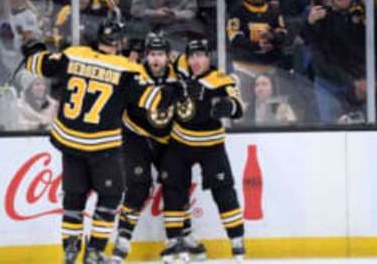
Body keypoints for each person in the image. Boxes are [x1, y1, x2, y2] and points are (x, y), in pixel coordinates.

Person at [20, 20, 175, 264]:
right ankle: (94, 251)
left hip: (69, 142)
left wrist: (33, 48)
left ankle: (70, 249)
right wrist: (175, 92)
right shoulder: (125, 68)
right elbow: (152, 99)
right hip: (102, 147)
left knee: (74, 198)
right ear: (120, 42)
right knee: (110, 197)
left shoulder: (74, 55)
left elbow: (38, 63)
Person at [110, 33, 207, 263]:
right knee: (138, 185)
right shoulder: (134, 75)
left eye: (160, 54)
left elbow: (194, 86)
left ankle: (180, 237)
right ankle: (122, 240)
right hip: (137, 136)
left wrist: (192, 92)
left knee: (177, 181)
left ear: (168, 56)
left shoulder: (178, 74)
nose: (156, 60)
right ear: (146, 56)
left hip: (167, 138)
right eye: (152, 54)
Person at [159, 39, 246, 263]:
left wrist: (228, 106)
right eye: (193, 56)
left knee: (224, 191)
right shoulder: (180, 66)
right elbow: (161, 59)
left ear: (209, 57)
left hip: (211, 146)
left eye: (201, 56)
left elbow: (238, 106)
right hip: (180, 143)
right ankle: (175, 241)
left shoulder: (220, 79)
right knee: (173, 189)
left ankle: (237, 243)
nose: (196, 61)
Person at [302, 0, 366, 123]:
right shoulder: (322, 15)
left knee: (364, 125)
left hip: (358, 82)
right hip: (328, 81)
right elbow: (307, 40)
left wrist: (366, 1)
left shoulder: (361, 15)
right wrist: (310, 23)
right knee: (330, 128)